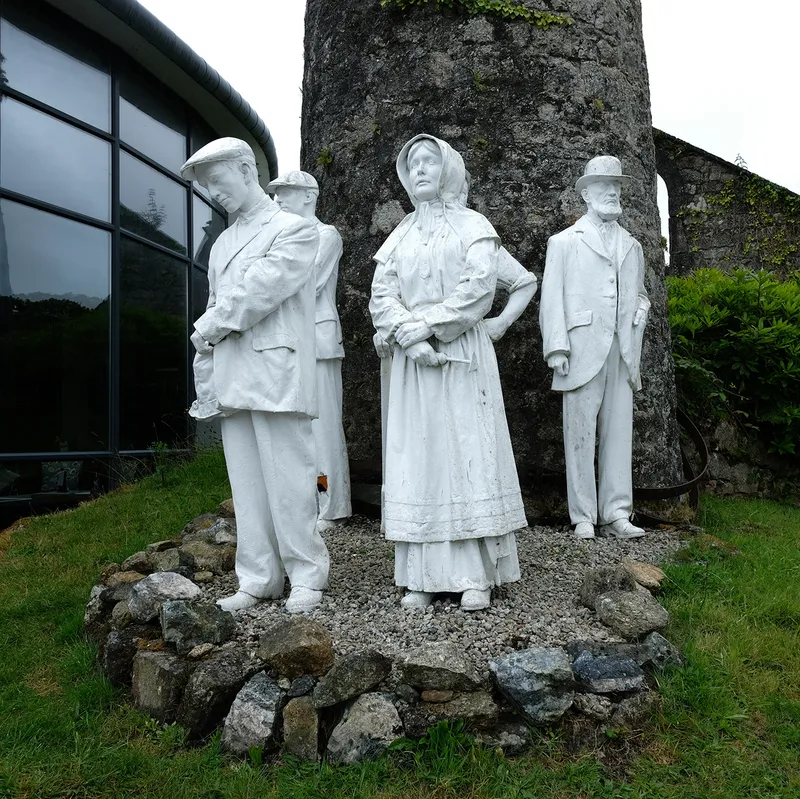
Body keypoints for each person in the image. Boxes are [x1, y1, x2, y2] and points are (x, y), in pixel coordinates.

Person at [370, 133, 530, 612]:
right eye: (412, 162)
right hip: (414, 366)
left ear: (447, 171)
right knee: (420, 460)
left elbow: (479, 288)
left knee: (466, 454)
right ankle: (421, 574)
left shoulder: (472, 226)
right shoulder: (399, 236)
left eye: (429, 162)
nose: (420, 170)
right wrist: (411, 338)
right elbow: (382, 295)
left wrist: (426, 327)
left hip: (462, 357)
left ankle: (473, 575)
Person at [182, 138, 330, 613]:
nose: (214, 194)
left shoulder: (295, 229)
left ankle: (306, 574)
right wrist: (205, 373)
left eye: (218, 181)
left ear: (246, 170)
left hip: (276, 371)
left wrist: (209, 327)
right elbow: (215, 311)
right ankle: (259, 576)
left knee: (290, 479)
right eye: (207, 188)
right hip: (233, 374)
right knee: (246, 484)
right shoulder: (223, 241)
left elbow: (259, 290)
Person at [539, 155, 650, 540]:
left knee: (619, 431)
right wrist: (557, 346)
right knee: (580, 432)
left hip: (622, 349)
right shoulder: (565, 242)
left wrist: (638, 313)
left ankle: (617, 512)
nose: (613, 191)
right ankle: (583, 514)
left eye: (617, 186)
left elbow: (640, 294)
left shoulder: (632, 245)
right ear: (586, 193)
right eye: (605, 185)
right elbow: (551, 297)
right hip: (581, 346)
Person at [267, 170, 352, 531]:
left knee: (324, 428)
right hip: (292, 341)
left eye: (285, 192)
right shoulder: (283, 239)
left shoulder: (325, 235)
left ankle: (331, 505)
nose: (278, 199)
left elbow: (306, 283)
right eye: (277, 194)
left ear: (308, 195)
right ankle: (306, 502)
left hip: (317, 341)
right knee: (297, 427)